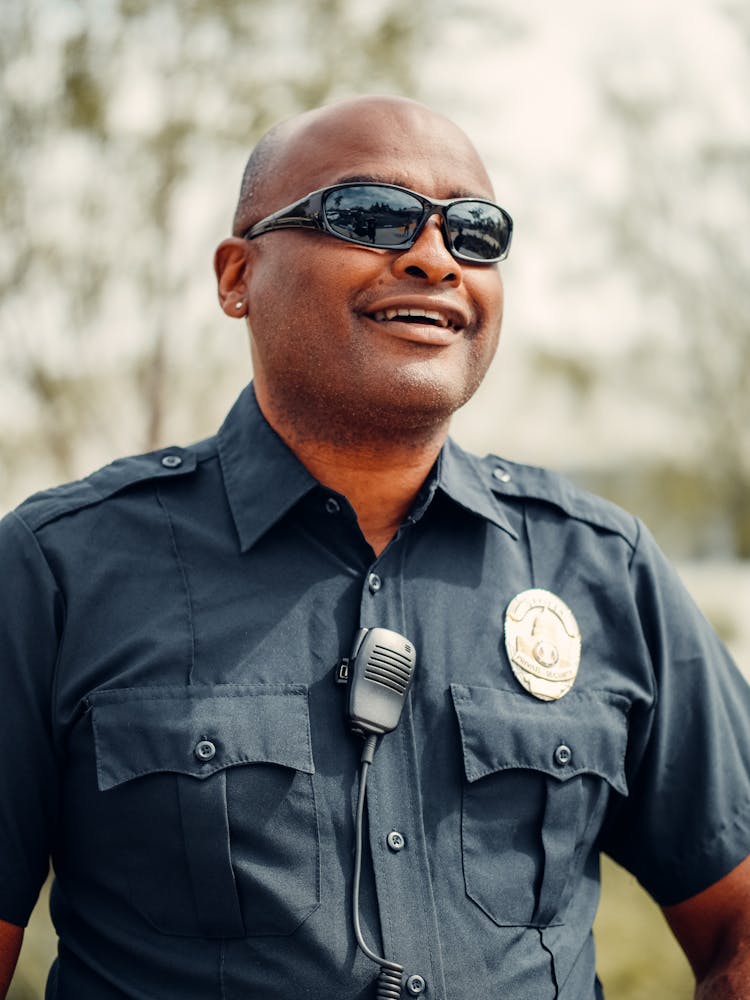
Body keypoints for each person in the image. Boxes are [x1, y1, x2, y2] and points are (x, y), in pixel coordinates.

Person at [0, 94, 748, 1000]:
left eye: (475, 233)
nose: (435, 257)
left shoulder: (602, 568)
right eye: (371, 216)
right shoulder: (58, 570)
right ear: (238, 275)